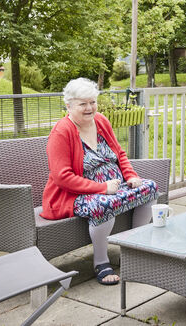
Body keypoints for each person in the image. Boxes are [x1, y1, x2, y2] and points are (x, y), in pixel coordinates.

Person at [41, 77, 157, 285]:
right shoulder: (62, 131)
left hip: (114, 186)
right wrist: (101, 188)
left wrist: (130, 176)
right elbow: (62, 177)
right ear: (68, 105)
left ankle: (133, 249)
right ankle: (101, 262)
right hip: (75, 195)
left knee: (149, 188)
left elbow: (119, 153)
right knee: (103, 205)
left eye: (92, 102)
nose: (89, 108)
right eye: (82, 103)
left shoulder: (101, 121)